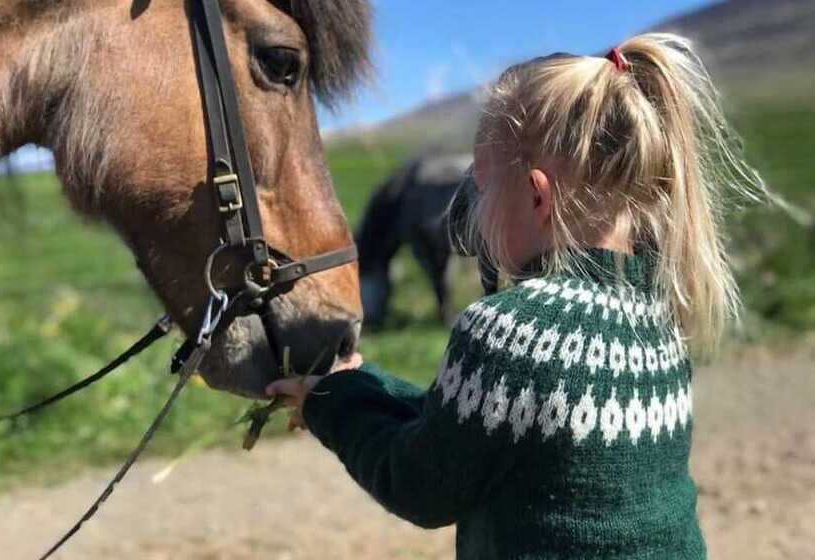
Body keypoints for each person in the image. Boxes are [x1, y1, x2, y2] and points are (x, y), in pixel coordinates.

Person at [267, 33, 769, 559]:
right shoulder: (659, 321)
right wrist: (359, 385)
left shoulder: (510, 331)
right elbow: (493, 425)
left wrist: (334, 407)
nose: (477, 214)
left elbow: (421, 482)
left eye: (483, 190)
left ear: (535, 196)